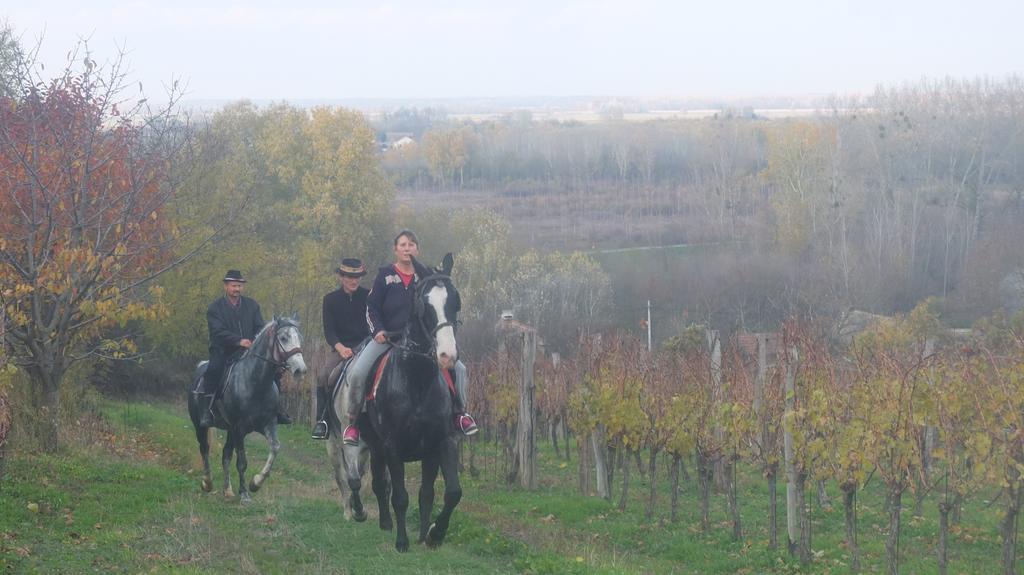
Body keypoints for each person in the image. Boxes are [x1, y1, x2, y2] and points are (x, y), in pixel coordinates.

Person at [341, 230, 477, 446]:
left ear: (417, 250)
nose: (407, 248)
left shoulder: (425, 276)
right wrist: (377, 330)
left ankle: (459, 413)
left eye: (411, 244)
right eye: (403, 244)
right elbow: (371, 307)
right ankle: (354, 422)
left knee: (458, 368)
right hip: (387, 339)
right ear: (396, 250)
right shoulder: (385, 275)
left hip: (419, 342)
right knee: (358, 372)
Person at [196, 269, 292, 428]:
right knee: (213, 369)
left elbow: (260, 328)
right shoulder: (215, 308)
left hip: (249, 351)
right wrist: (238, 341)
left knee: (274, 369)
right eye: (234, 286)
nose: (237, 289)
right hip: (222, 350)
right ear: (226, 286)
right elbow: (217, 331)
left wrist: (255, 343)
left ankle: (277, 410)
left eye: (239, 286)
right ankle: (207, 410)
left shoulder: (252, 305)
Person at [311, 258, 369, 439]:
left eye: (357, 277)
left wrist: (364, 346)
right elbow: (329, 331)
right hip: (340, 349)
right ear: (341, 277)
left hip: (366, 347)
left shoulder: (369, 296)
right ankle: (323, 420)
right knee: (324, 376)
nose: (354, 281)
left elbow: (373, 324)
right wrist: (341, 348)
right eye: (350, 277)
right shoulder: (330, 300)